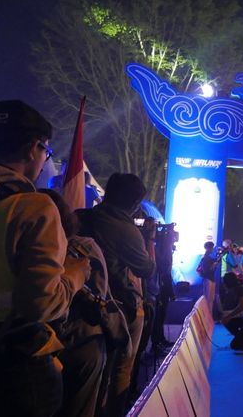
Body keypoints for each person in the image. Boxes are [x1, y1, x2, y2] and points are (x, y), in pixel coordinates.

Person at [0, 100, 91, 416]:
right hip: (15, 365)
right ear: (31, 149)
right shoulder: (32, 208)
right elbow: (41, 305)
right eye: (46, 152)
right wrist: (76, 274)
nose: (44, 161)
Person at [76, 173, 156, 416]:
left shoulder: (81, 216)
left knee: (91, 375)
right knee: (122, 366)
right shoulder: (126, 229)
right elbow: (147, 268)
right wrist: (150, 239)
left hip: (82, 304)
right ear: (133, 204)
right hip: (121, 307)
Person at [41, 188, 114, 417]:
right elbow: (101, 293)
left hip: (41, 347)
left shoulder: (22, 248)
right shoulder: (84, 248)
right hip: (80, 342)